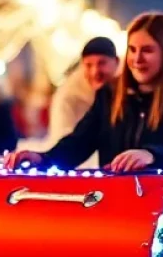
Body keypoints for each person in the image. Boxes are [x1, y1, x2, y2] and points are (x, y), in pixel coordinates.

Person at [4, 12, 163, 173]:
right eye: (133, 49)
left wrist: (151, 155)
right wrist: (43, 158)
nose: (137, 59)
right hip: (114, 198)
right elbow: (80, 141)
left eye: (147, 50)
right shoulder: (111, 93)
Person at [48, 36, 120, 167]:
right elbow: (71, 142)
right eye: (88, 65)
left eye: (102, 63)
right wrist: (43, 159)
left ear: (116, 62)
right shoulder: (67, 96)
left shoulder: (124, 90)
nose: (95, 72)